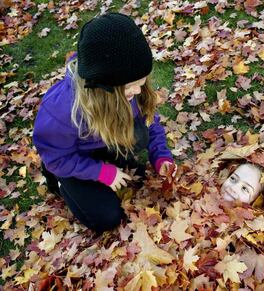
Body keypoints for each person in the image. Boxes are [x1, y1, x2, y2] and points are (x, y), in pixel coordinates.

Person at [33, 13, 175, 233]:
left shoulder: (130, 91)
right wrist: (101, 173)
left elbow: (149, 121)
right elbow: (57, 158)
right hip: (70, 160)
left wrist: (161, 154)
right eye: (129, 87)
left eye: (141, 82)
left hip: (103, 142)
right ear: (103, 87)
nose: (136, 91)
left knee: (140, 138)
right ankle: (61, 184)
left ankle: (110, 161)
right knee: (107, 218)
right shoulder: (60, 112)